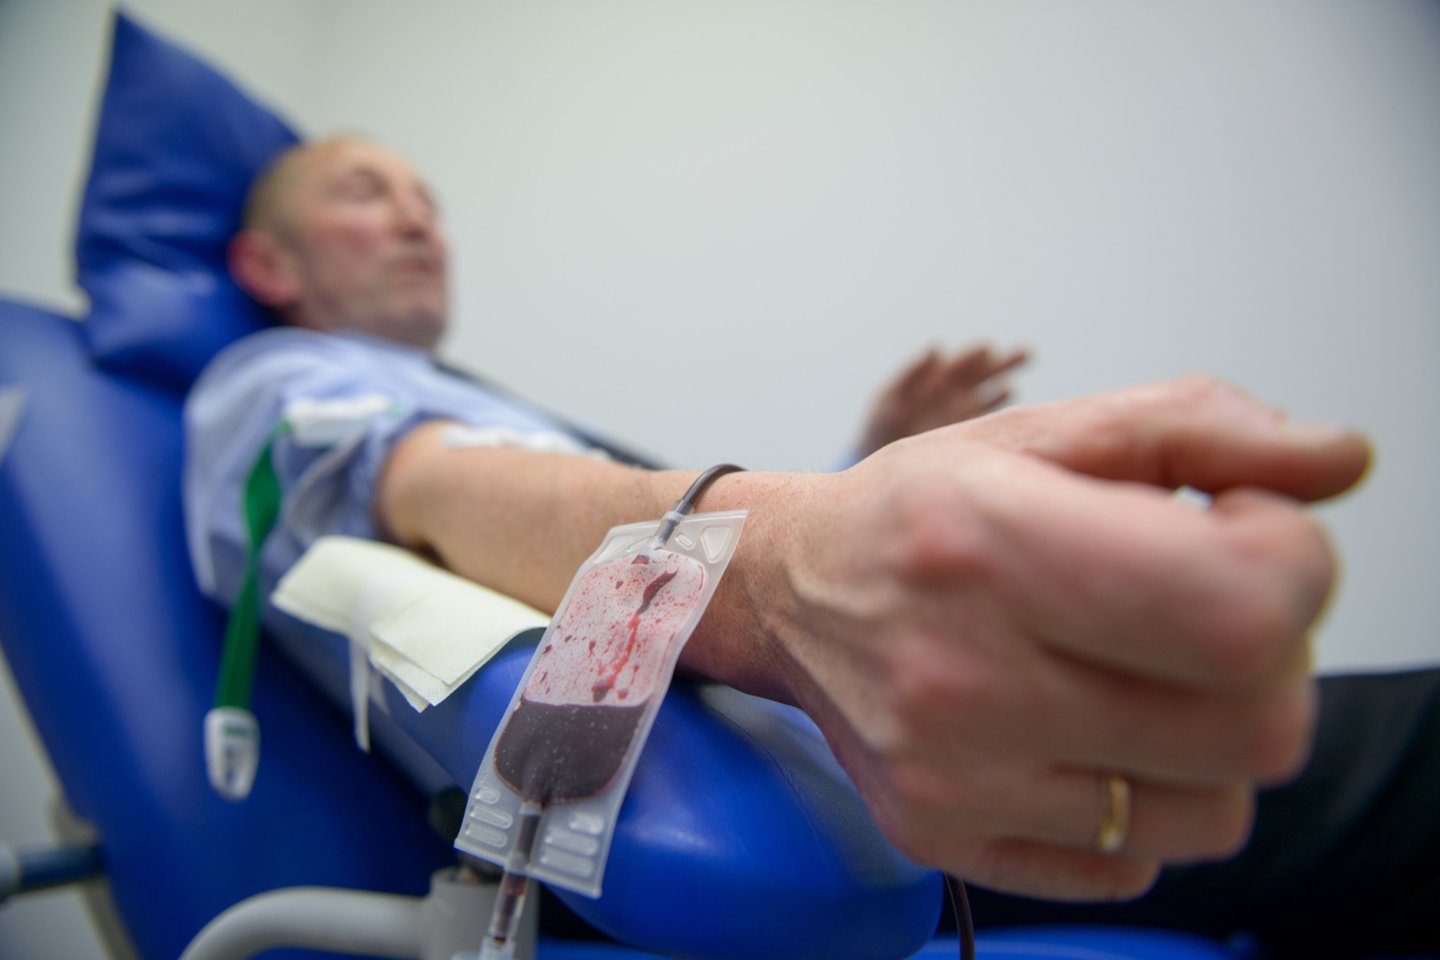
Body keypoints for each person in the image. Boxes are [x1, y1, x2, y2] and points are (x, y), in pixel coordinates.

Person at [185, 137, 1433, 948]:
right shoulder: (270, 383)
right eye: (366, 194)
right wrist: (777, 568)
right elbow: (425, 486)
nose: (419, 222)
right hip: (785, 826)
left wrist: (860, 476)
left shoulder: (474, 398)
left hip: (825, 772)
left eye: (429, 200)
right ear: (263, 261)